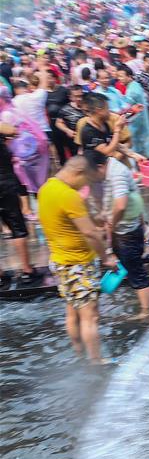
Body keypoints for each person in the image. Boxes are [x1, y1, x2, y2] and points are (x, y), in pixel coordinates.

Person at [37, 156, 116, 364]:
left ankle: (80, 355)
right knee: (90, 316)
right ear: (79, 172)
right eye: (87, 180)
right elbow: (90, 234)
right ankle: (96, 361)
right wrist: (106, 257)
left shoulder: (46, 188)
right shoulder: (68, 195)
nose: (86, 185)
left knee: (72, 313)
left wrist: (95, 218)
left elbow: (68, 221)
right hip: (78, 264)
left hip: (60, 262)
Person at [91, 151, 149, 320]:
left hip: (127, 232)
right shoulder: (111, 169)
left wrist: (111, 223)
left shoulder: (116, 173)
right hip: (125, 229)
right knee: (127, 267)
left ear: (99, 167)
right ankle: (141, 304)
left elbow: (120, 205)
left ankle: (146, 312)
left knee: (136, 271)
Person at [0, 121, 37, 286]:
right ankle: (27, 270)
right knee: (17, 227)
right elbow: (12, 130)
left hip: (5, 182)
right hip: (4, 185)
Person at [115, 64, 149, 158]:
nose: (119, 79)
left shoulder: (132, 91)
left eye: (121, 76)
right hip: (141, 123)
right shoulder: (135, 85)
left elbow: (128, 110)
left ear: (129, 76)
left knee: (137, 155)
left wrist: (119, 116)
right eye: (118, 76)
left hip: (137, 126)